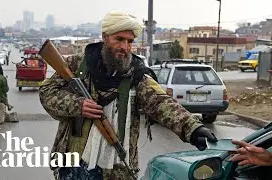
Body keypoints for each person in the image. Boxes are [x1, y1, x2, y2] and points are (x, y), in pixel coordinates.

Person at [39, 11, 217, 180]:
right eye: (119, 39)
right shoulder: (77, 65)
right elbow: (47, 92)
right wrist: (77, 105)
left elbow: (162, 103)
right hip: (73, 162)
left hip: (116, 168)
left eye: (129, 41)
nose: (124, 47)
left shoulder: (136, 73)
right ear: (104, 37)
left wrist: (192, 128)